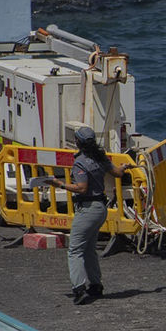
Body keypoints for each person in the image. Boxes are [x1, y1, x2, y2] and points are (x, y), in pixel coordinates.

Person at [45, 126, 135, 304]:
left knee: (75, 250)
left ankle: (79, 288)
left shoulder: (80, 162)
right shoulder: (100, 157)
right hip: (100, 208)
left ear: (77, 142)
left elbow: (81, 188)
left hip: (87, 209)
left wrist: (59, 184)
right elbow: (117, 173)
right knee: (88, 248)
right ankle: (95, 285)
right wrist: (124, 166)